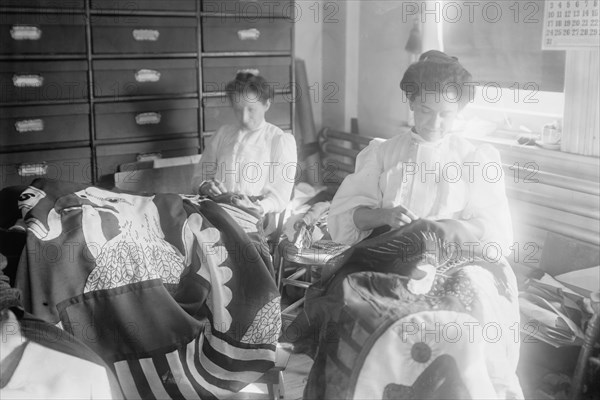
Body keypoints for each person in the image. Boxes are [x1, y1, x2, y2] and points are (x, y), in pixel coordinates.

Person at [328, 50, 513, 255]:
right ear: (412, 103)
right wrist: (384, 216)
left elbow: (495, 229)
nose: (434, 123)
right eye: (426, 111)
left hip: (452, 260)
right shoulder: (382, 153)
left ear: (458, 111)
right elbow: (346, 219)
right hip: (389, 255)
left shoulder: (473, 159)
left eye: (445, 114)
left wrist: (451, 228)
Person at [193, 72, 297, 224]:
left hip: (254, 215)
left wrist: (257, 207)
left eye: (251, 110)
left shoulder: (279, 140)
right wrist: (204, 186)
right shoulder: (223, 133)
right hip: (217, 208)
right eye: (238, 110)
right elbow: (199, 176)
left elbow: (280, 196)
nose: (243, 118)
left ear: (266, 105)